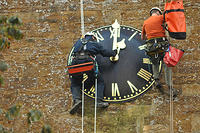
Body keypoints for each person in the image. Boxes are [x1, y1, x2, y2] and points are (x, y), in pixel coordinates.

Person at [69, 32, 117, 114]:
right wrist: (114, 53)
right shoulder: (94, 43)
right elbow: (105, 52)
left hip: (75, 63)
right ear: (93, 37)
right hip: (87, 62)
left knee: (75, 82)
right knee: (99, 81)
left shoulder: (78, 43)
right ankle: (98, 101)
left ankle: (76, 100)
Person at [141, 7, 178, 97]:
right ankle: (170, 86)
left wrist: (151, 35)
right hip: (162, 45)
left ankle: (156, 79)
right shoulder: (161, 17)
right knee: (167, 64)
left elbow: (143, 38)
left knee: (155, 62)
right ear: (157, 12)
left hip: (151, 47)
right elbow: (170, 18)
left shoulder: (145, 22)